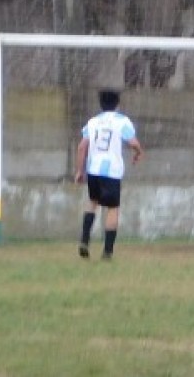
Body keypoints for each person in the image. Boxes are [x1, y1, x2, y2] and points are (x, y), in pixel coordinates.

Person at [74, 90, 144, 260]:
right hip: (112, 171)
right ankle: (107, 251)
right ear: (117, 104)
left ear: (101, 104)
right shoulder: (122, 121)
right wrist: (138, 152)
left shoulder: (93, 122)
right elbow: (133, 142)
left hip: (93, 170)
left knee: (92, 203)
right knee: (113, 209)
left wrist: (79, 171)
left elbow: (82, 147)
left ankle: (84, 239)